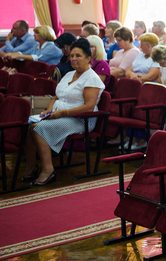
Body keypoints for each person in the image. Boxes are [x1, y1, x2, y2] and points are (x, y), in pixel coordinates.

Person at [21, 39, 105, 186]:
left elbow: (89, 107)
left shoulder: (92, 78)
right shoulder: (69, 74)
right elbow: (57, 96)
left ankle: (48, 170)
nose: (73, 59)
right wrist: (48, 111)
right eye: (72, 56)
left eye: (78, 56)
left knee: (37, 128)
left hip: (81, 119)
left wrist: (61, 113)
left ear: (88, 58)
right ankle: (31, 166)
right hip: (60, 113)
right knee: (25, 125)